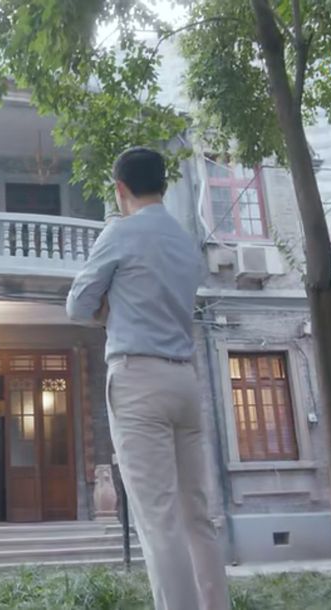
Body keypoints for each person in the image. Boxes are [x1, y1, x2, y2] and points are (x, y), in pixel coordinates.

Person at [66, 147, 230, 610]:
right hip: (184, 380)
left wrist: (111, 305)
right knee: (197, 516)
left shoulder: (120, 232)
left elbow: (77, 305)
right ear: (163, 183)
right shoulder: (185, 240)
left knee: (159, 522)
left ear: (120, 189)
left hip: (139, 380)